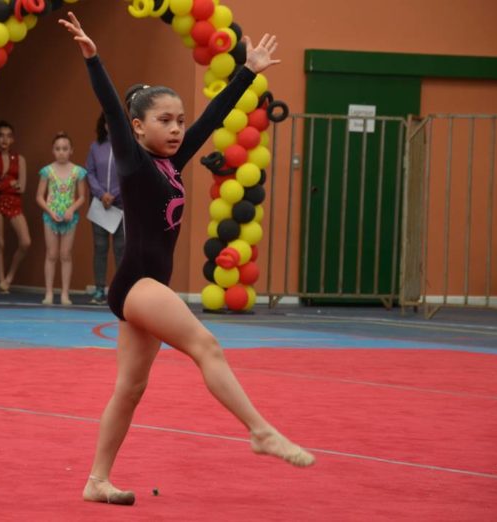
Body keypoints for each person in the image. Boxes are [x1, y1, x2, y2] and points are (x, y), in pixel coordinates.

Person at [58, 12, 315, 506]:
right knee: (207, 345)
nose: (177, 129)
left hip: (147, 286)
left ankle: (96, 480)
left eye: (178, 120)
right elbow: (111, 109)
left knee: (130, 389)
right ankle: (260, 431)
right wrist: (94, 59)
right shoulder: (132, 162)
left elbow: (213, 118)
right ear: (137, 127)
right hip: (137, 285)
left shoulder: (172, 162)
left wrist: (250, 71)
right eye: (164, 121)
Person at [35, 131, 87, 305]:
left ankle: (65, 293)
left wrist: (71, 210)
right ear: (53, 150)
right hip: (51, 217)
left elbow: (81, 197)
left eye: (65, 148)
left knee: (65, 255)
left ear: (71, 150)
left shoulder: (77, 172)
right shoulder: (47, 171)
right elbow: (39, 196)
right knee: (51, 254)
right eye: (58, 149)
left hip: (69, 218)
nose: (61, 152)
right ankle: (49, 292)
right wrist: (50, 212)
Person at [86, 113, 125, 305]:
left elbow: (129, 174)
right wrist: (102, 194)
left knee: (121, 248)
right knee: (100, 248)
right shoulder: (95, 147)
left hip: (121, 206)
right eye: (107, 121)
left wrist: (114, 195)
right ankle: (100, 289)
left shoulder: (127, 147)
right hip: (100, 205)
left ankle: (120, 290)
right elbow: (90, 173)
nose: (110, 125)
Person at [0, 120, 31, 294]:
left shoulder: (19, 159)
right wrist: (8, 183)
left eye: (8, 136)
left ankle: (10, 276)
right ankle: (1, 282)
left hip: (14, 202)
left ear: (13, 139)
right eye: (0, 135)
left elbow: (22, 187)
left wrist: (3, 184)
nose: (4, 139)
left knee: (26, 242)